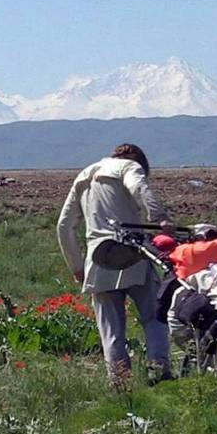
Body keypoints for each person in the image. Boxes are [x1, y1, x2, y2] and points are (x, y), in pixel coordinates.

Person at [57, 144, 175, 385]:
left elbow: (64, 226)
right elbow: (139, 188)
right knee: (154, 315)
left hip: (98, 259)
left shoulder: (83, 175)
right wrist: (159, 217)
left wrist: (77, 267)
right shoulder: (128, 167)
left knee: (110, 328)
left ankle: (119, 381)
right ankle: (159, 369)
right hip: (133, 253)